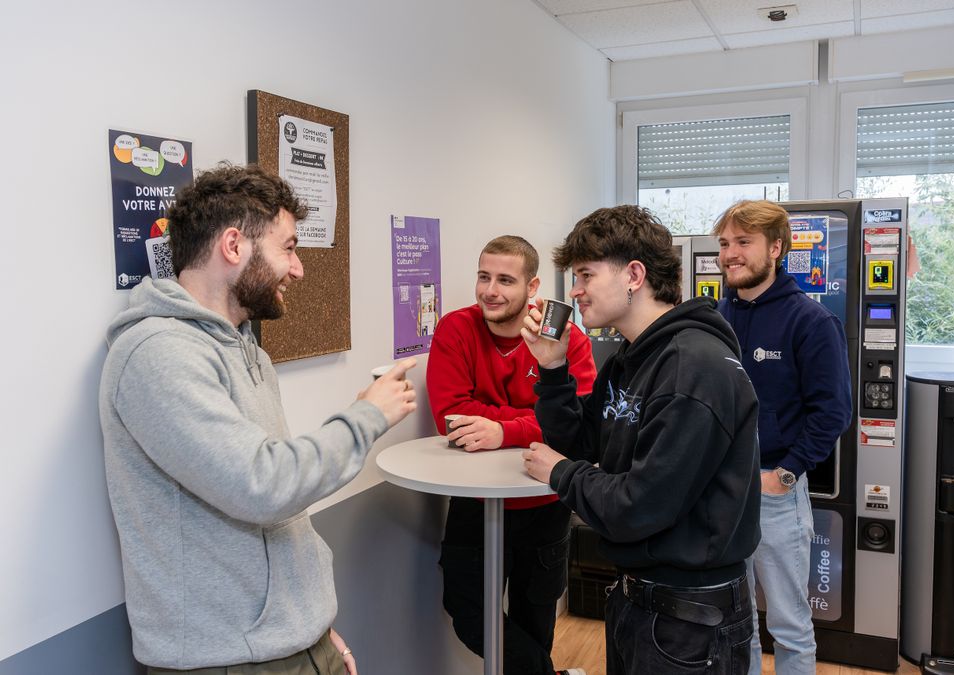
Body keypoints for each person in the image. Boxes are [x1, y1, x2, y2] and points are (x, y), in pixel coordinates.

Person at [99, 163, 418, 674]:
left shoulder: (246, 350)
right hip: (227, 660)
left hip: (290, 644)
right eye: (288, 247)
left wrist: (311, 631)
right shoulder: (156, 354)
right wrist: (366, 417)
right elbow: (262, 484)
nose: (298, 269)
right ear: (233, 246)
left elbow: (278, 508)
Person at [519, 205, 761, 675]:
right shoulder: (629, 360)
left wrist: (559, 473)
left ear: (634, 274)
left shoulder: (696, 368)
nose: (575, 290)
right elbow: (583, 445)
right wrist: (552, 369)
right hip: (640, 600)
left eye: (585, 274)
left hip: (689, 619)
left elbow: (639, 506)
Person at [427, 235, 597, 675]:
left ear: (532, 286)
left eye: (505, 280)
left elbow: (575, 425)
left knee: (533, 619)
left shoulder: (564, 339)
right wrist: (529, 421)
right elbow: (450, 414)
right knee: (468, 613)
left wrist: (502, 429)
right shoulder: (455, 328)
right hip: (473, 499)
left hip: (544, 500)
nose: (490, 290)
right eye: (484, 277)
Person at [713, 200, 852, 675]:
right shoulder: (716, 319)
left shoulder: (810, 321)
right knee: (738, 622)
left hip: (775, 493)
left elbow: (834, 412)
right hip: (720, 494)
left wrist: (787, 473)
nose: (731, 254)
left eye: (743, 243)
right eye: (725, 244)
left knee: (790, 626)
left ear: (775, 248)